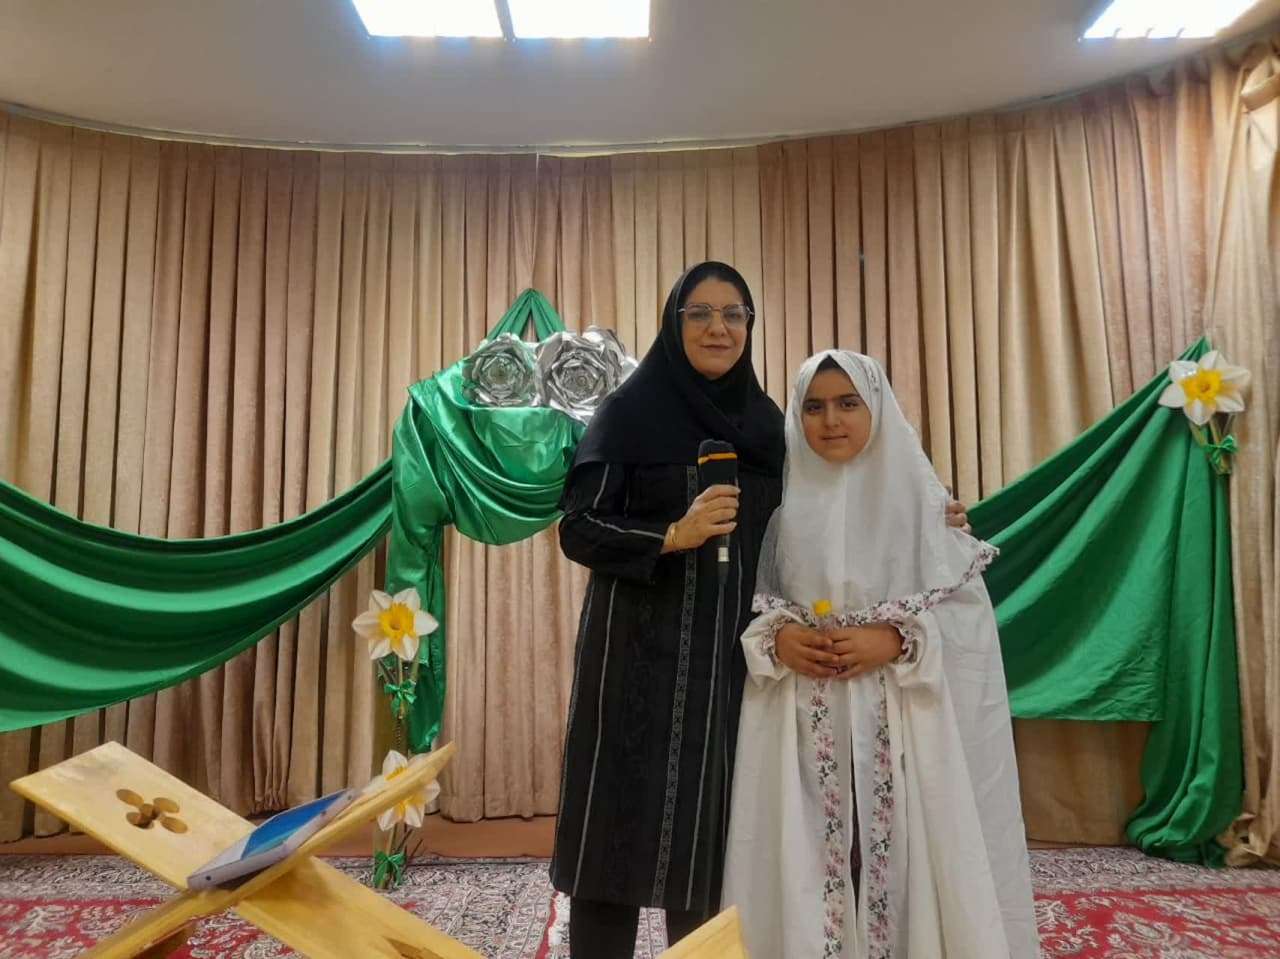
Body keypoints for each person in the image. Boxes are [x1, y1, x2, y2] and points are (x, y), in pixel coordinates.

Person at [552, 266, 972, 958]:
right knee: (610, 845)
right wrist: (671, 534)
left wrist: (932, 511)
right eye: (699, 313)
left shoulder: (767, 425)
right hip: (632, 661)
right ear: (674, 323)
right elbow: (578, 528)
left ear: (750, 326)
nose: (717, 328)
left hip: (731, 667)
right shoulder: (627, 414)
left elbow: (835, 492)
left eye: (734, 314)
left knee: (709, 849)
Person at [722, 349, 1040, 958]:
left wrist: (895, 638)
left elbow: (966, 615)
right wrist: (779, 639)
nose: (830, 421)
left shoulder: (926, 510)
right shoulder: (784, 516)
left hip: (904, 728)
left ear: (878, 409)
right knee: (818, 860)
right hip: (809, 725)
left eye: (848, 403)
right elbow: (762, 606)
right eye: (814, 407)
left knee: (903, 865)